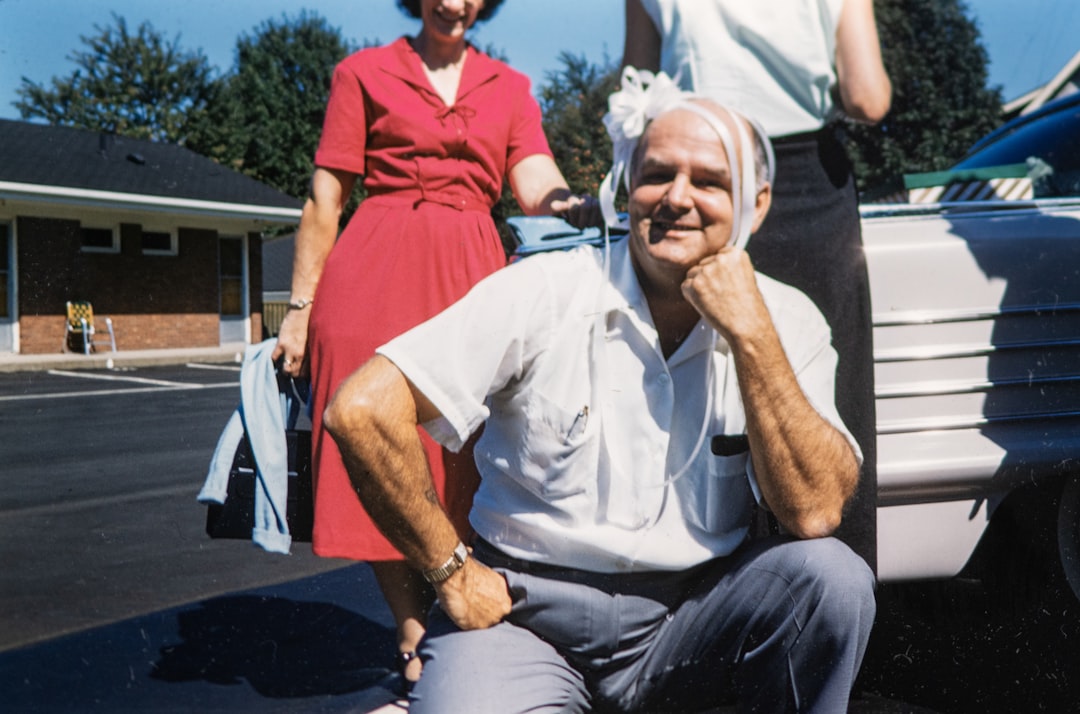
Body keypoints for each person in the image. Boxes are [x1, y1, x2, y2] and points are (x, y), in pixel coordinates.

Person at [323, 71, 876, 712]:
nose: (677, 197)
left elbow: (814, 512)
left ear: (755, 204)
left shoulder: (787, 317)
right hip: (525, 618)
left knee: (834, 580)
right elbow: (362, 409)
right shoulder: (544, 290)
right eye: (656, 174)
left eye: (709, 181)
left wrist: (752, 337)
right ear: (622, 187)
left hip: (694, 618)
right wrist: (450, 572)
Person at [272, 0, 593, 687]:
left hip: (471, 273)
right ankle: (415, 638)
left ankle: (461, 609)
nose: (458, 4)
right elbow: (325, 198)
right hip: (373, 272)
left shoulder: (509, 87)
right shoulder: (362, 72)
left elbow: (533, 175)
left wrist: (567, 201)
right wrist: (299, 309)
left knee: (468, 461)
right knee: (385, 454)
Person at [622, 0, 892, 568]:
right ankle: (834, 593)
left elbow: (637, 93)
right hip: (805, 190)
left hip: (704, 174)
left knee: (703, 383)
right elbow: (868, 100)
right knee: (821, 395)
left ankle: (705, 584)